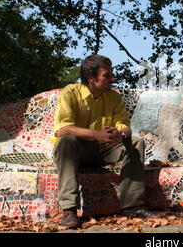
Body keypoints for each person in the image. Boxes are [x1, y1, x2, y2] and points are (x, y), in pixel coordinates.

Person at [51, 54, 156, 229]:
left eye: (112, 74)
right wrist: (96, 134)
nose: (113, 79)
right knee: (66, 141)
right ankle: (69, 210)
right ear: (91, 79)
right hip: (75, 150)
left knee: (136, 142)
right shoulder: (70, 92)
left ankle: (133, 206)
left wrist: (120, 134)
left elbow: (125, 127)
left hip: (103, 150)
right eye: (107, 75)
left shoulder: (113, 97)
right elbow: (63, 129)